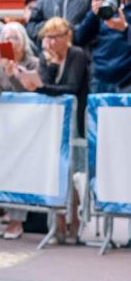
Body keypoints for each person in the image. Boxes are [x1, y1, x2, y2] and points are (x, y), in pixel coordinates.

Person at [13, 17, 90, 243]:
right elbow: (44, 85)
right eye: (47, 36)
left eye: (55, 36)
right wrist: (49, 68)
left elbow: (71, 87)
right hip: (52, 122)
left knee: (72, 173)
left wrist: (43, 86)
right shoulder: (45, 59)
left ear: (66, 37)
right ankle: (57, 226)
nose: (50, 41)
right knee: (54, 172)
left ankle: (74, 224)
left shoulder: (76, 54)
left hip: (75, 121)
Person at [0, 24, 40, 240]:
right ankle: (9, 213)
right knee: (5, 172)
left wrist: (13, 76)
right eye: (5, 38)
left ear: (24, 41)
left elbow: (29, 95)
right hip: (4, 127)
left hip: (29, 128)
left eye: (14, 38)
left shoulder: (34, 63)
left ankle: (17, 221)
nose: (9, 42)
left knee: (21, 173)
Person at [72, 0, 131, 91]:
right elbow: (79, 38)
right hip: (100, 79)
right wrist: (93, 13)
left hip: (127, 80)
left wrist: (125, 29)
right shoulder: (107, 3)